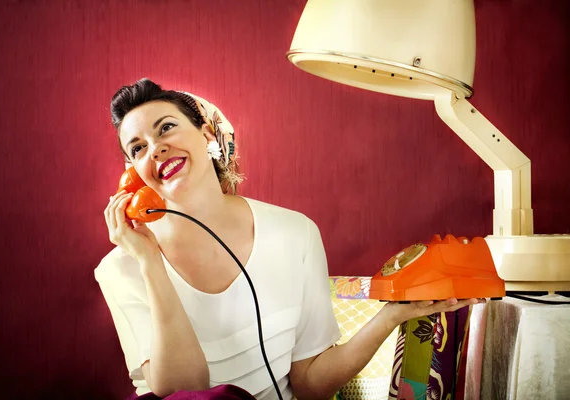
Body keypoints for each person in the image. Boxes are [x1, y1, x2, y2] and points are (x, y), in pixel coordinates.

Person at [94, 78, 482, 400]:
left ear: (207, 134)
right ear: (135, 175)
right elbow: (184, 390)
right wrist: (150, 263)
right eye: (137, 148)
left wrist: (390, 316)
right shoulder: (122, 268)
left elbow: (310, 384)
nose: (156, 148)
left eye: (166, 127)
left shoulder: (295, 234)